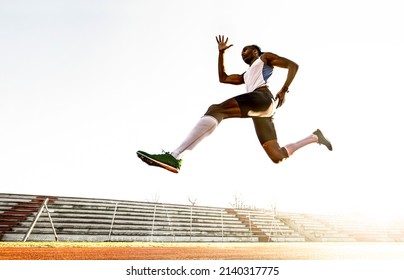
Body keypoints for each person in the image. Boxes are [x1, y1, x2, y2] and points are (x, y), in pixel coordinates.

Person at [137, 35, 332, 173]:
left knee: (216, 109)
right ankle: (315, 137)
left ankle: (175, 156)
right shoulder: (246, 75)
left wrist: (284, 89)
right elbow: (223, 78)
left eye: (245, 50)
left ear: (255, 51)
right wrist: (221, 53)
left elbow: (293, 65)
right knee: (277, 156)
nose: (242, 53)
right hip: (262, 111)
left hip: (263, 98)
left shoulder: (265, 58)